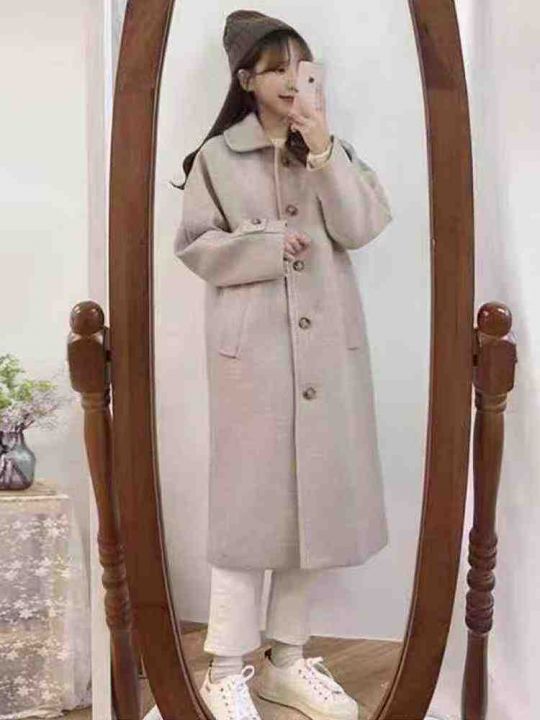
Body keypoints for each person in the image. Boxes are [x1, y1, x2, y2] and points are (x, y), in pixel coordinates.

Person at [172, 9, 393, 720]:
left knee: (313, 511)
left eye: (301, 66)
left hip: (329, 354)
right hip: (254, 358)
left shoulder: (330, 150)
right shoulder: (216, 158)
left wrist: (322, 148)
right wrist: (264, 247)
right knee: (247, 516)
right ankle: (224, 669)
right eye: (276, 69)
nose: (292, 80)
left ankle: (287, 661)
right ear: (246, 80)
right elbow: (195, 246)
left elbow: (362, 226)